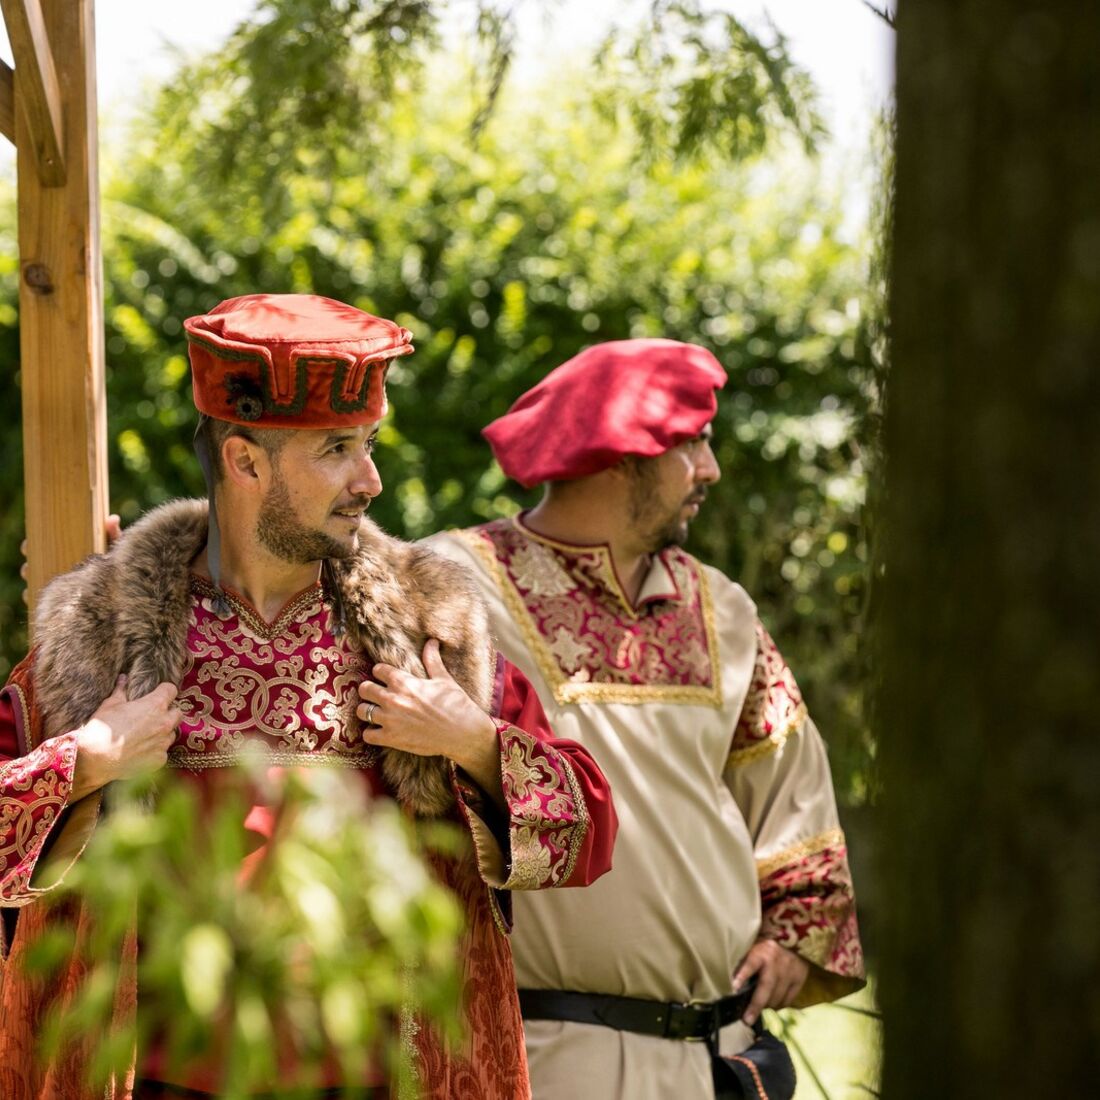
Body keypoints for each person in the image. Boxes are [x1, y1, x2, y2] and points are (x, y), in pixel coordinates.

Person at [0, 294, 617, 1100]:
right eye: (338, 449)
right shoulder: (100, 636)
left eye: (369, 445)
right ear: (245, 462)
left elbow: (593, 834)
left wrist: (473, 741)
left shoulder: (429, 626)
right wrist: (87, 761)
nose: (372, 479)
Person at [426, 339, 864, 1100]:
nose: (710, 470)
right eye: (690, 443)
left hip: (724, 1063)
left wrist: (797, 935)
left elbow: (792, 787)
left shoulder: (724, 608)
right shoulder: (455, 587)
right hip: (548, 1059)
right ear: (618, 453)